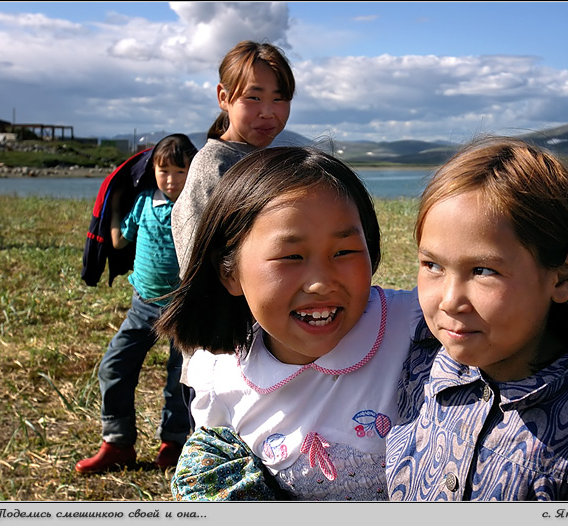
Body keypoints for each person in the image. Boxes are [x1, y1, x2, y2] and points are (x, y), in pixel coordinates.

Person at [385, 136, 568, 501]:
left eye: (483, 270)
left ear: (563, 275)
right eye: (432, 265)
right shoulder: (419, 362)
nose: (449, 301)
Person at [155, 146, 423, 501]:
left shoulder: (413, 325)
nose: (321, 282)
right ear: (229, 272)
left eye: (343, 252)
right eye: (291, 257)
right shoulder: (219, 377)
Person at [75, 134, 198, 474]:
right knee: (114, 365)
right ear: (153, 172)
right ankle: (117, 443)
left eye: (179, 171)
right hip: (143, 304)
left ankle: (174, 443)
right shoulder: (144, 201)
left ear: (194, 171)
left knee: (182, 379)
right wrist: (114, 208)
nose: (171, 180)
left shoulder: (197, 206)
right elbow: (118, 240)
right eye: (163, 171)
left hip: (183, 309)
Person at [172, 40, 296, 277]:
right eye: (254, 98)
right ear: (223, 97)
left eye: (279, 99)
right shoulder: (213, 164)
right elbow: (195, 262)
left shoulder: (272, 161)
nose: (268, 112)